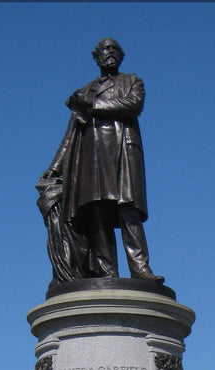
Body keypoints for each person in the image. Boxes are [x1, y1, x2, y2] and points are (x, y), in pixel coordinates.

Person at [39, 38, 164, 285]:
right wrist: (55, 167)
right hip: (91, 159)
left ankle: (140, 268)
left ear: (121, 56)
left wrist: (93, 105)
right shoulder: (85, 91)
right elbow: (71, 132)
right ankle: (107, 273)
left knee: (128, 210)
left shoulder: (132, 82)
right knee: (98, 214)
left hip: (122, 153)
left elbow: (133, 105)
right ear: (96, 58)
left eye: (114, 50)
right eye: (105, 51)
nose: (110, 54)